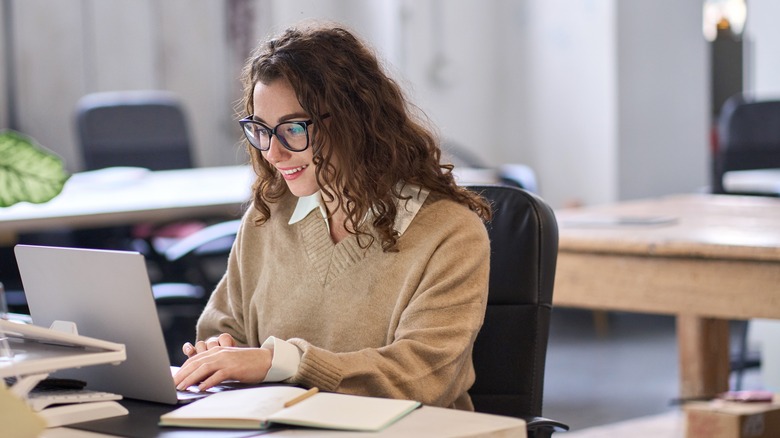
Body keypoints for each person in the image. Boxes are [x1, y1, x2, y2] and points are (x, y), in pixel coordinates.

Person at [173, 21, 492, 410]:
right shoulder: (268, 217)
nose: (273, 153)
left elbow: (423, 376)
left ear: (354, 121)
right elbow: (223, 328)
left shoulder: (450, 233)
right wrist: (221, 352)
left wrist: (280, 362)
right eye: (261, 129)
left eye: (292, 129)